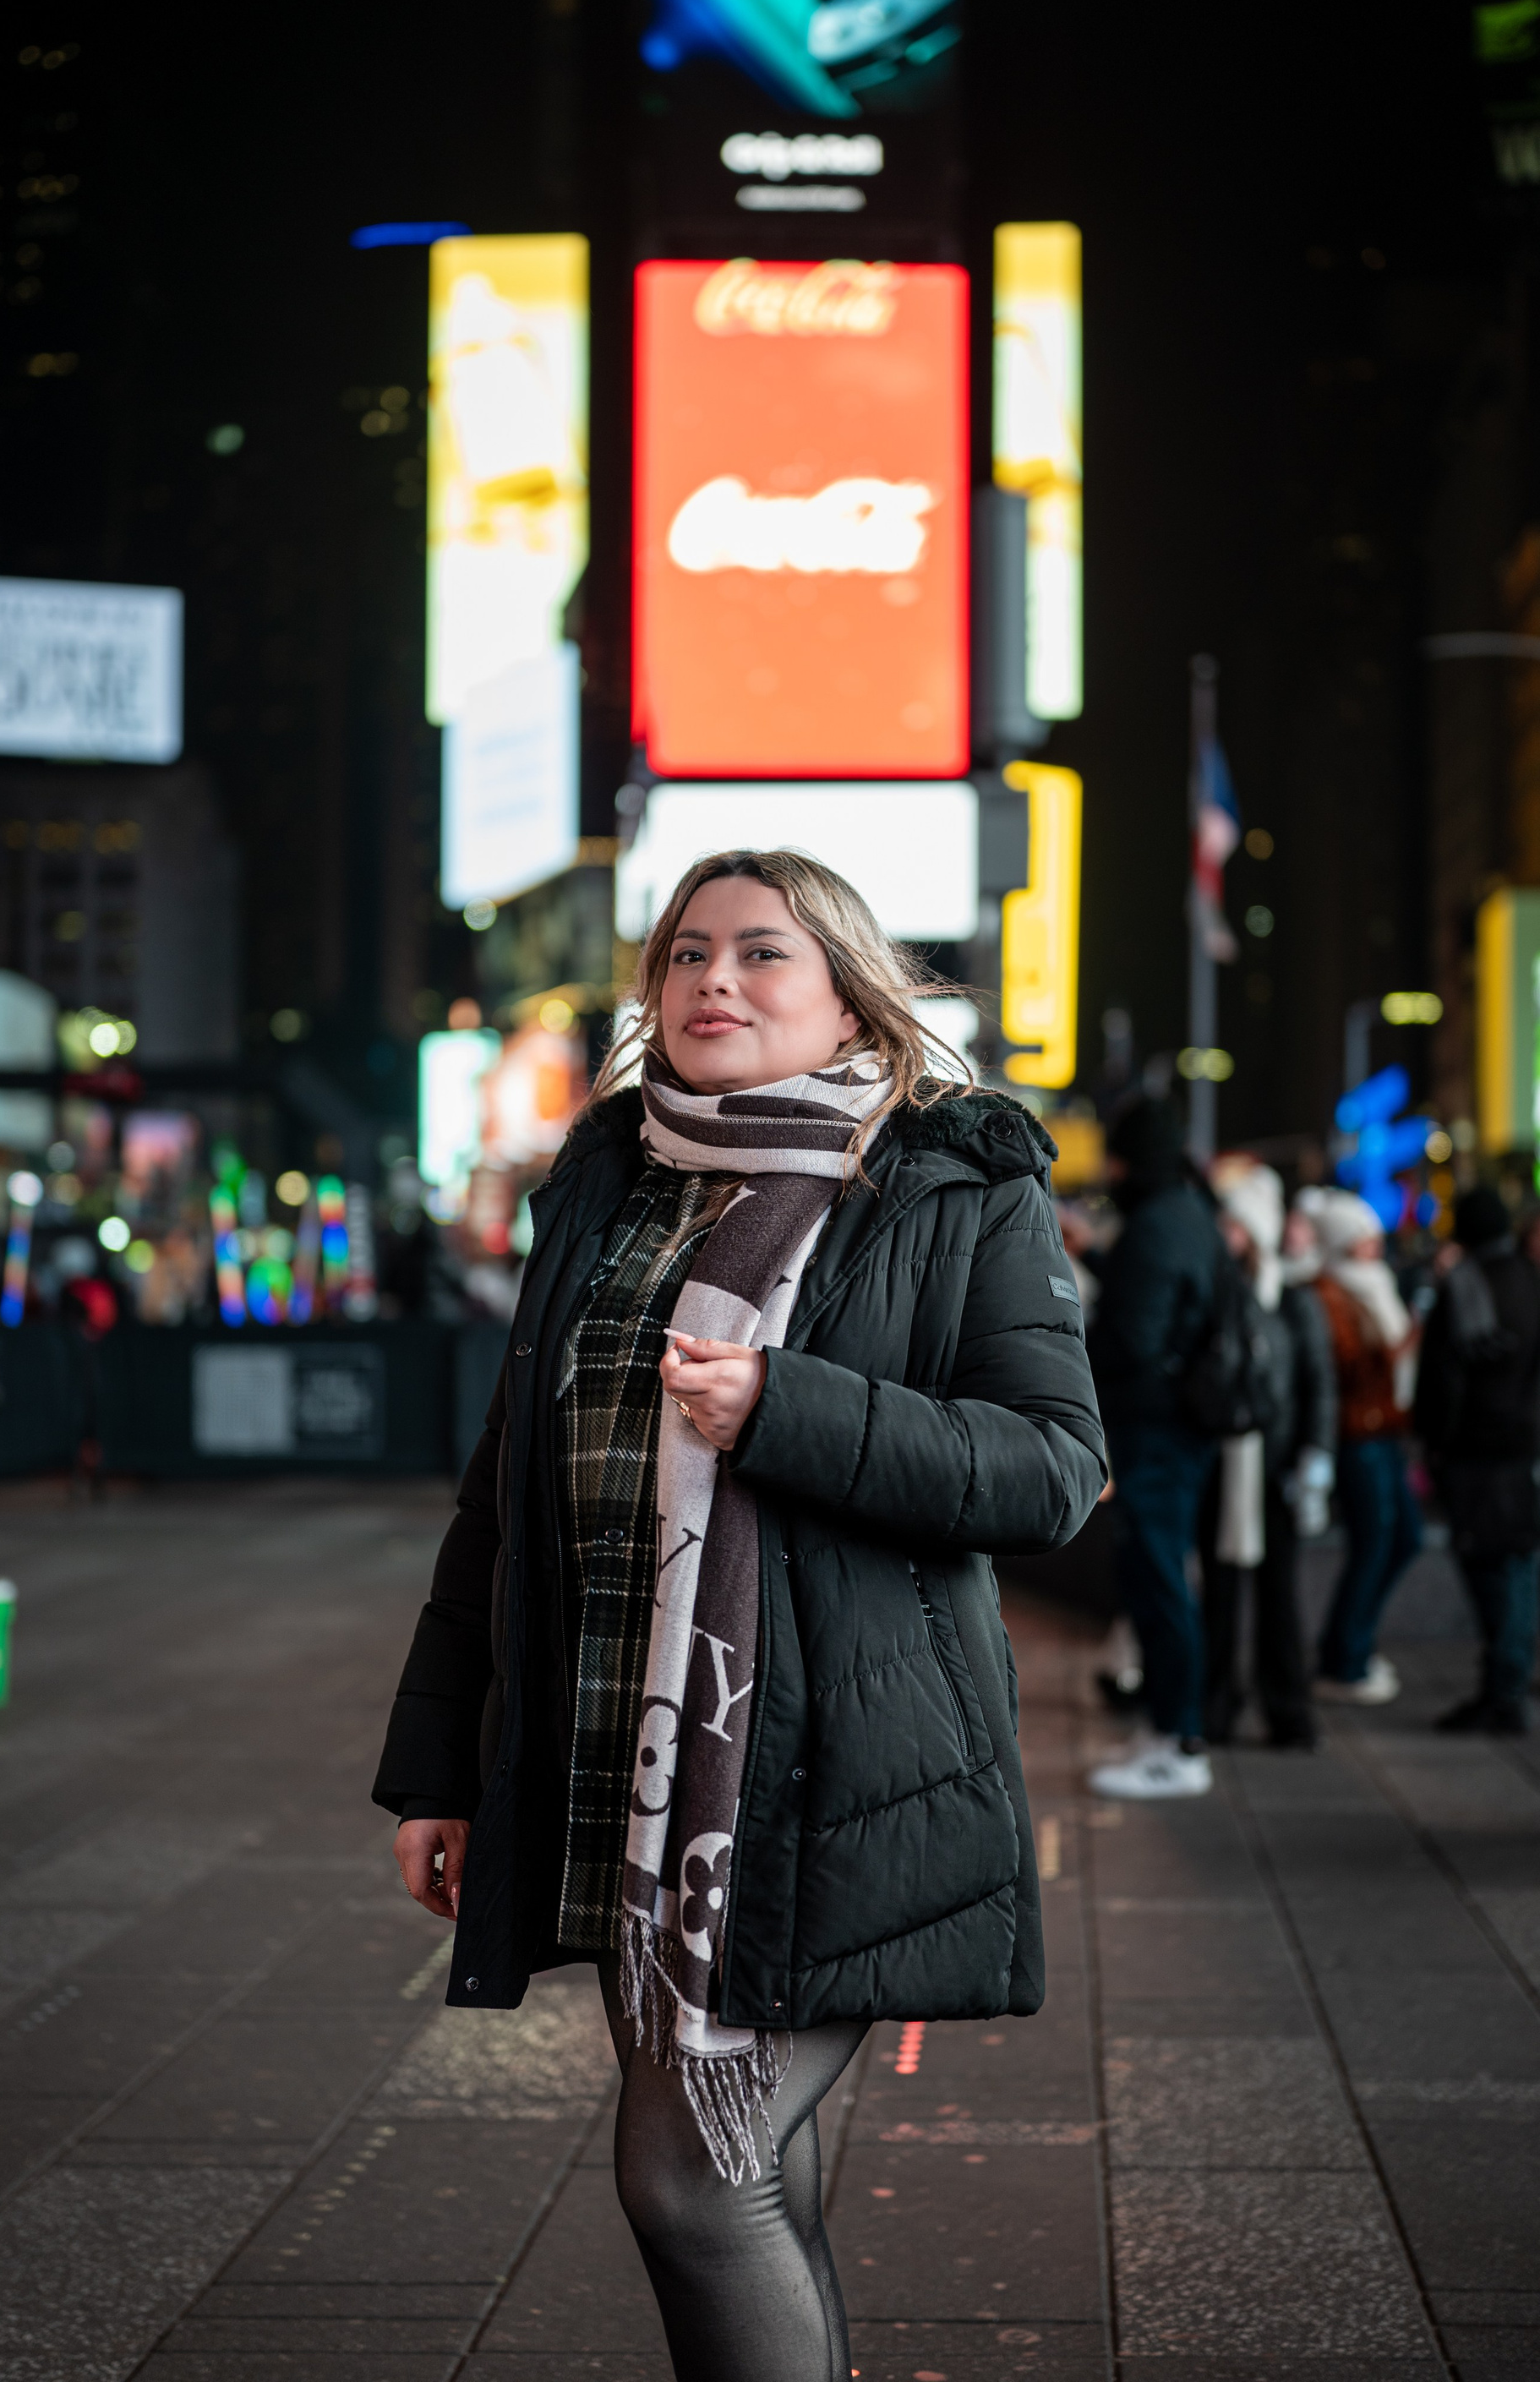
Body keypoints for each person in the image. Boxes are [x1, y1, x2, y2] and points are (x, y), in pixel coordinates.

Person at [373, 850, 1106, 2382]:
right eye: (687, 953)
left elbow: (1052, 1469)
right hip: (622, 1762)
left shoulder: (950, 1182)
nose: (715, 979)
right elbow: (506, 1497)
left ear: (849, 995)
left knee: (694, 2180)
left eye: (763, 952)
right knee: (752, 2170)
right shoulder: (610, 1183)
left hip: (836, 1770)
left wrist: (789, 1406)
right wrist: (440, 1768)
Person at [1084, 1097, 1220, 1800]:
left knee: (1159, 1581)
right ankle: (1170, 1728)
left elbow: (1134, 1337)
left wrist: (1070, 1346)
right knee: (1163, 1579)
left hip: (1157, 1431)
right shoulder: (1189, 1213)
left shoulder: (1155, 1225)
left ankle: (1178, 1741)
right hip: (1181, 1428)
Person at [1197, 1165, 1335, 1748]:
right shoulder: (1213, 1293)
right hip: (1221, 1467)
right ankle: (1216, 1708)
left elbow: (1318, 1385)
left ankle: (1288, 1711)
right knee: (1220, 1596)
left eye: (1236, 1225)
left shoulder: (1294, 1301)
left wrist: (1316, 1455)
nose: (1225, 1234)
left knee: (1280, 1598)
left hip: (1275, 1470)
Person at [1416, 1184, 1540, 1734]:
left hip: (1479, 1450)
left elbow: (1447, 1376)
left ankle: (1503, 1690)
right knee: (1518, 1564)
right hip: (1522, 1445)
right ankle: (1508, 1682)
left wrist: (1436, 1441)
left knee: (1492, 1568)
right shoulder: (1528, 1278)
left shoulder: (1467, 1283)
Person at [1308, 1190, 1421, 1704]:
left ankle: (1351, 1644)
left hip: (1386, 1432)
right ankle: (1345, 1658)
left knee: (1403, 1538)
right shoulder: (1328, 1293)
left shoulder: (1375, 1286)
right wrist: (1402, 1348)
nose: (1375, 1246)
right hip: (1359, 1436)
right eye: (1364, 1238)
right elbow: (1345, 1368)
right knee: (1374, 1544)